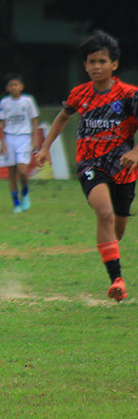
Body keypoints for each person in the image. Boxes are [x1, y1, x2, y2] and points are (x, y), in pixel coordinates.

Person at [36, 30, 138, 302]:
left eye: (102, 61)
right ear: (85, 65)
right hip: (90, 163)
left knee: (117, 230)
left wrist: (136, 151)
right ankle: (117, 281)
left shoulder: (129, 95)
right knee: (103, 214)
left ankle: (113, 261)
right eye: (91, 62)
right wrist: (45, 147)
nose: (96, 67)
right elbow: (62, 117)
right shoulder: (80, 94)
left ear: (114, 64)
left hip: (124, 167)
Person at [0, 74, 41, 213]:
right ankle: (16, 203)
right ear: (7, 88)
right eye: (11, 85)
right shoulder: (4, 102)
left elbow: (34, 120)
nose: (14, 87)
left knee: (22, 171)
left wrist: (35, 138)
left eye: (16, 84)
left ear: (21, 87)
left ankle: (26, 193)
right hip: (10, 138)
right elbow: (2, 123)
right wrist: (2, 142)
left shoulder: (28, 101)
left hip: (24, 138)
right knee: (11, 173)